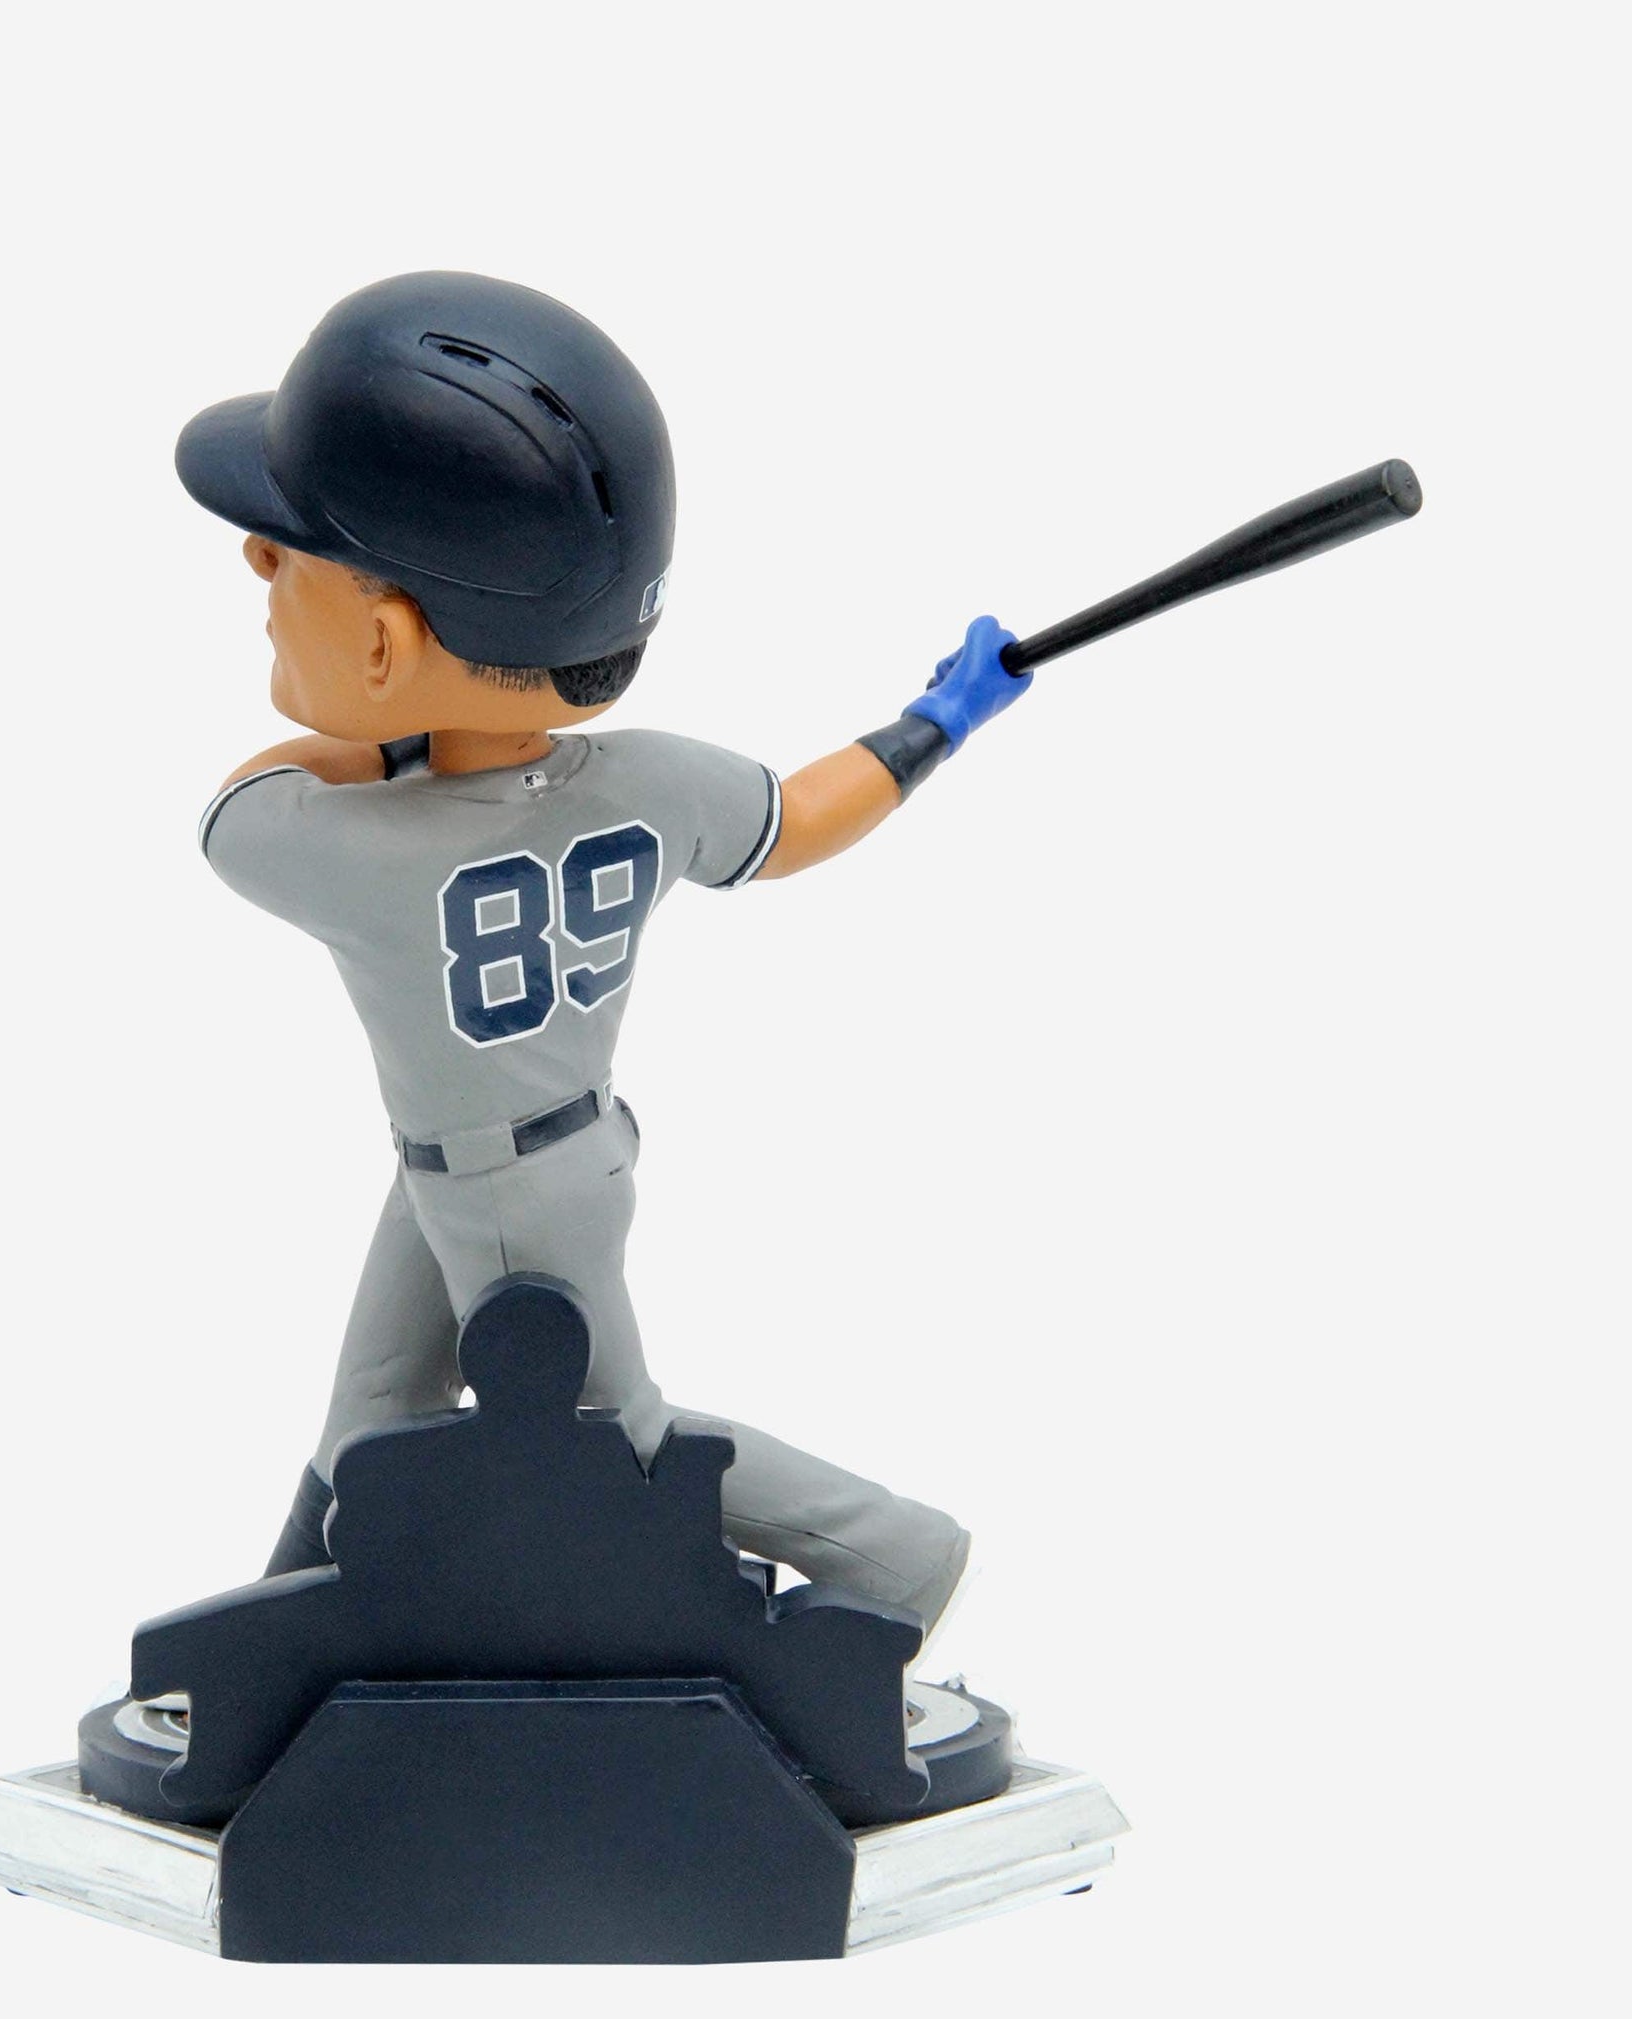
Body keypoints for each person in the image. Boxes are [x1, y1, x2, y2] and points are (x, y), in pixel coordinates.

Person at [180, 273, 1030, 1633]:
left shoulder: (343, 848)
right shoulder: (649, 780)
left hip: (504, 1193)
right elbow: (799, 818)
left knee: (617, 1443)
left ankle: (896, 1560)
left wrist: (396, 746)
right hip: (522, 1158)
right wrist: (939, 720)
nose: (259, 564)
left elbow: (245, 797)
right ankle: (292, 1619)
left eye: (294, 553)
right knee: (375, 1404)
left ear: (390, 649)